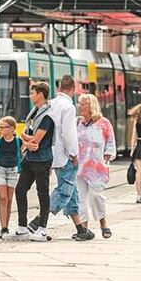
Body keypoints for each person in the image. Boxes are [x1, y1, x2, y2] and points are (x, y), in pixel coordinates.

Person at [33, 75, 89, 238]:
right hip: (65, 155)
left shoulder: (51, 104)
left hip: (51, 153)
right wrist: (74, 154)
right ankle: (37, 222)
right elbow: (68, 134)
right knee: (64, 191)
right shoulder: (68, 107)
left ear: (59, 87)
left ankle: (80, 229)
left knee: (71, 191)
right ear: (73, 89)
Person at [13, 82, 55, 241]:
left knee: (42, 193)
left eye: (32, 93)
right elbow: (28, 135)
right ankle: (22, 227)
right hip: (30, 158)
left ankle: (42, 230)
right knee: (20, 190)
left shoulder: (47, 116)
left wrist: (25, 138)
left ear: (40, 95)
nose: (30, 96)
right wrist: (27, 141)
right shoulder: (35, 113)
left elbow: (36, 139)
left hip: (42, 159)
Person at [74, 93, 115, 240]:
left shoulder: (104, 123)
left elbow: (110, 143)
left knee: (96, 196)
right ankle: (83, 228)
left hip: (97, 168)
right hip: (79, 167)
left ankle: (103, 222)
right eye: (79, 103)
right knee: (80, 198)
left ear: (91, 105)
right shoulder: (76, 122)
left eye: (83, 104)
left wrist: (106, 158)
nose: (80, 106)